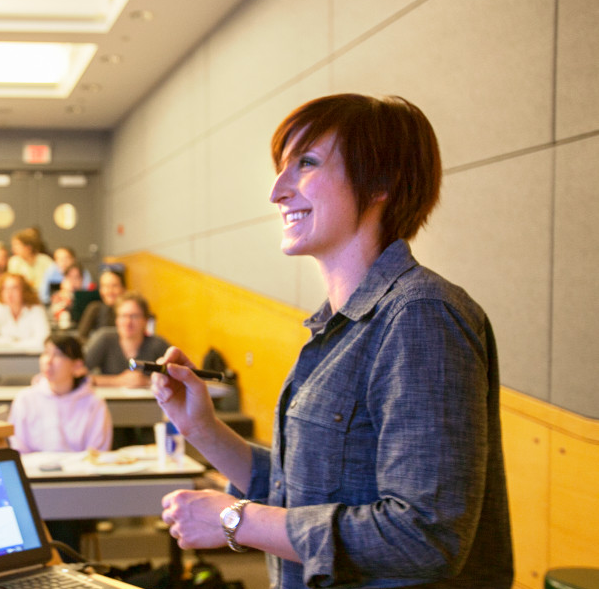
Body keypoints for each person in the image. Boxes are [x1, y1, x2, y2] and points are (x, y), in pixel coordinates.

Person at [154, 94, 512, 588]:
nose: (277, 191)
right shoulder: (340, 326)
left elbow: (426, 538)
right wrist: (202, 428)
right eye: (281, 168)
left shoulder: (421, 316)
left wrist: (235, 520)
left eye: (305, 164)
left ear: (381, 182)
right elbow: (298, 491)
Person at [8, 334, 112, 454]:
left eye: (58, 355)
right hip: (33, 470)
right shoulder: (25, 399)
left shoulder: (94, 403)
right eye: (46, 353)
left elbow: (97, 453)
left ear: (77, 365)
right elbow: (18, 447)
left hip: (80, 471)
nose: (49, 361)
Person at [85, 292, 168, 388]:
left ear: (145, 320)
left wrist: (148, 381)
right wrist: (118, 381)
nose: (128, 322)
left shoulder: (158, 344)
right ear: (116, 320)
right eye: (123, 316)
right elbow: (76, 374)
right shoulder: (104, 339)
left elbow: (178, 375)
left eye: (134, 316)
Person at [0, 272, 50, 354]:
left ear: (23, 291)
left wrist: (9, 344)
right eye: (5, 288)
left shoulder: (36, 310)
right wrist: (14, 342)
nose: (9, 293)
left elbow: (44, 343)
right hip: (2, 362)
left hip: (31, 362)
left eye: (14, 288)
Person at [77, 267, 126, 342]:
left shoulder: (130, 311)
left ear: (123, 288)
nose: (110, 291)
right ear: (100, 290)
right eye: (105, 286)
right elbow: (81, 337)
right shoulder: (94, 308)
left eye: (114, 286)